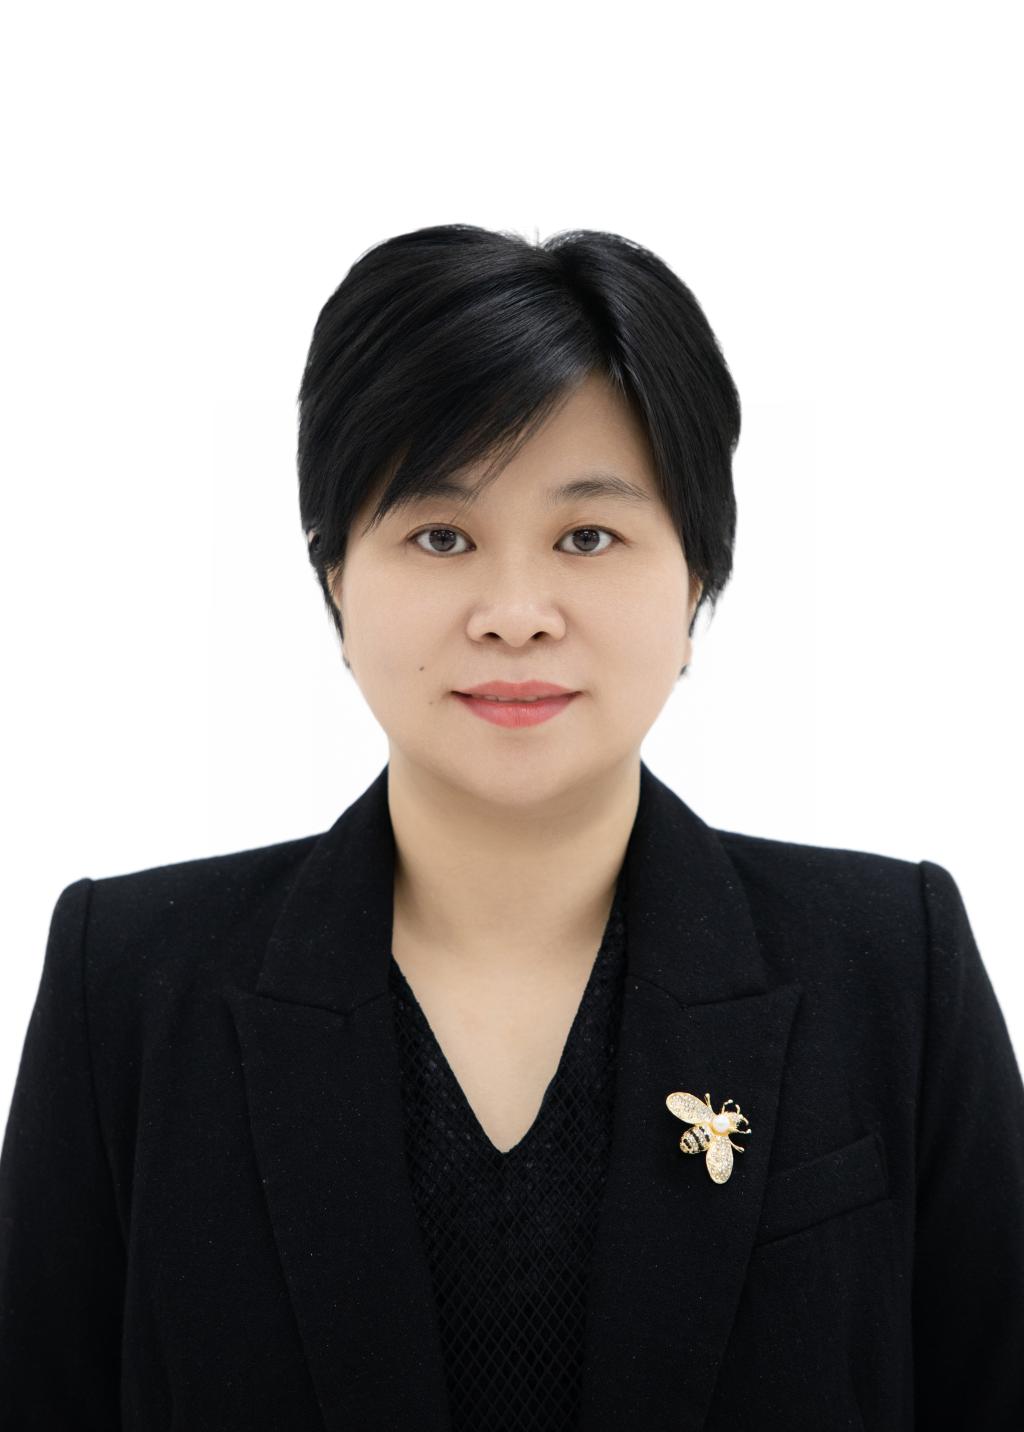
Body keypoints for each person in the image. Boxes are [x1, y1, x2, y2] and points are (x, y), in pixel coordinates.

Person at [1, 223, 1021, 1431]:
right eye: (441, 536)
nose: (515, 612)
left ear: (695, 576)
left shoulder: (891, 965)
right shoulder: (128, 983)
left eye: (587, 536)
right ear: (335, 578)